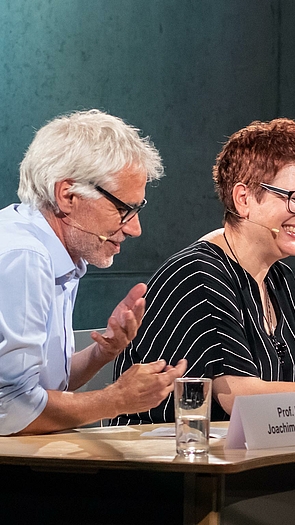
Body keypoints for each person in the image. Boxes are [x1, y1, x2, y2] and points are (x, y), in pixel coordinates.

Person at [112, 118, 295, 425]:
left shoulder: (282, 281)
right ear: (243, 198)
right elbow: (239, 397)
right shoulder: (200, 275)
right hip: (166, 463)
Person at [0, 110, 187, 436]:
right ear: (67, 195)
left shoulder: (52, 252)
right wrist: (117, 400)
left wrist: (104, 352)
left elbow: (41, 386)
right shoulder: (24, 256)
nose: (135, 228)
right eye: (123, 209)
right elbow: (11, 409)